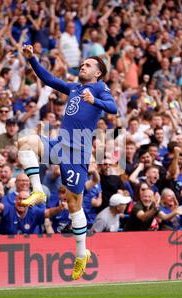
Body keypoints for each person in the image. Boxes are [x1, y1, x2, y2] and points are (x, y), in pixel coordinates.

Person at [18, 44, 117, 280]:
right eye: (82, 64)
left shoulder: (101, 88)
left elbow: (112, 108)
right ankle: (37, 191)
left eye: (88, 65)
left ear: (98, 72)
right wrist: (32, 59)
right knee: (24, 142)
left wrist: (95, 101)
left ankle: (81, 254)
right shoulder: (74, 88)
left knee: (74, 205)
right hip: (60, 145)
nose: (83, 67)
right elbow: (49, 78)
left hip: (78, 153)